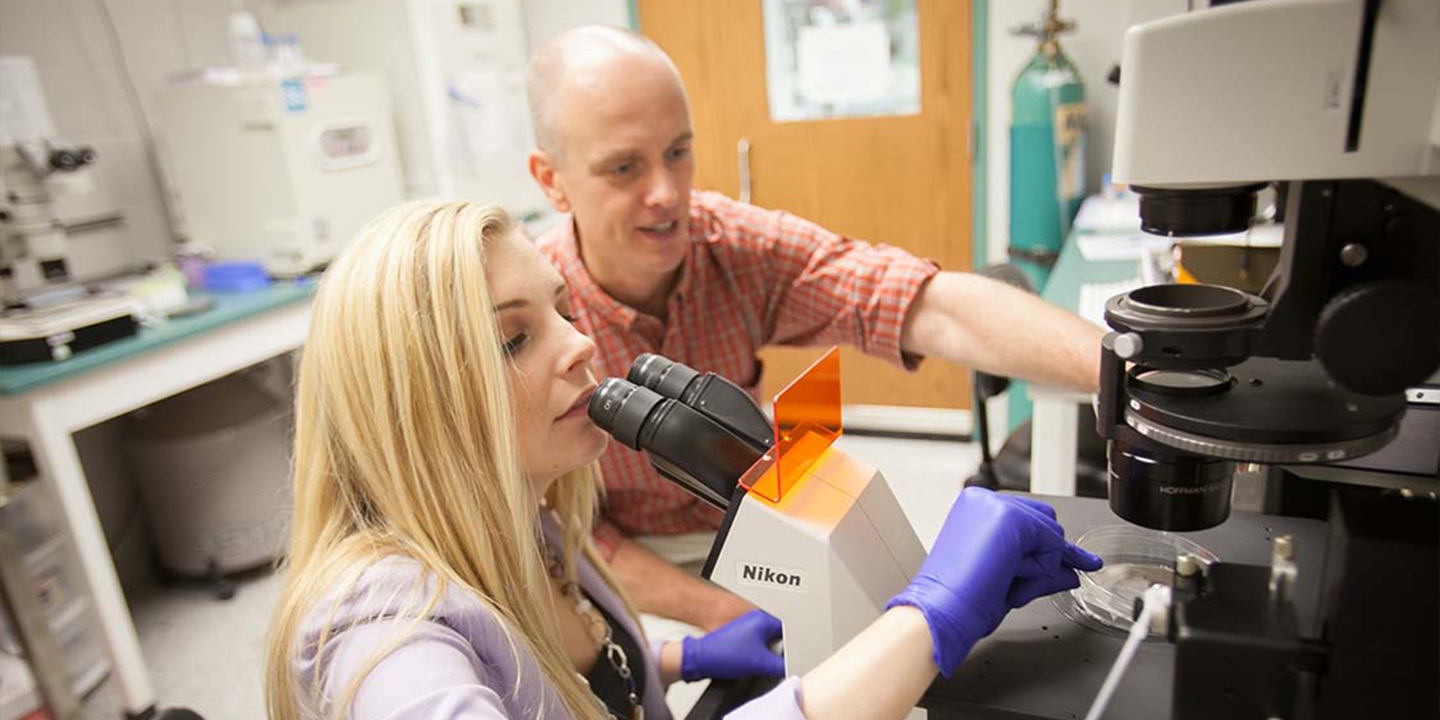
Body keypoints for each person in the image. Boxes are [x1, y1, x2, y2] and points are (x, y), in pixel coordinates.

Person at [263, 199, 1102, 720]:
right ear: (415, 406)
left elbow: (542, 677)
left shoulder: (528, 520)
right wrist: (931, 617)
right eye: (515, 336)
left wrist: (678, 657)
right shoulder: (381, 639)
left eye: (560, 309)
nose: (583, 343)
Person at [525, 26, 1107, 630]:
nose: (668, 195)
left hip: (747, 510)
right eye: (624, 168)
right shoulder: (531, 322)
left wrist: (1122, 368)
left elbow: (920, 302)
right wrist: (732, 615)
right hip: (619, 562)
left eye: (678, 152)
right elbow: (561, 532)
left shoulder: (730, 244)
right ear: (551, 180)